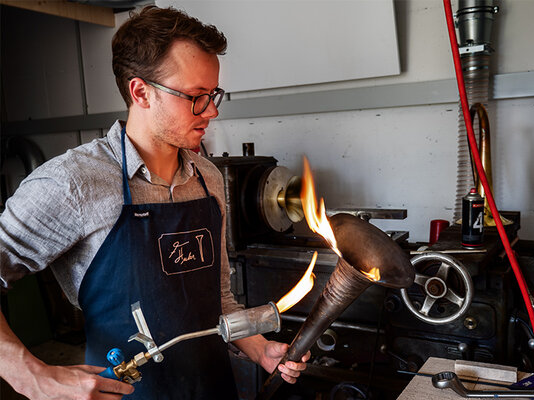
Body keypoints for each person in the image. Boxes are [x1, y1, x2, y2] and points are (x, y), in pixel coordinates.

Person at [0, 5, 309, 399]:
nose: (211, 111)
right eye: (195, 96)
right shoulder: (72, 184)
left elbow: (218, 298)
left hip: (214, 388)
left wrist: (258, 345)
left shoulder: (208, 178)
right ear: (141, 92)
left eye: (213, 94)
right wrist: (31, 376)